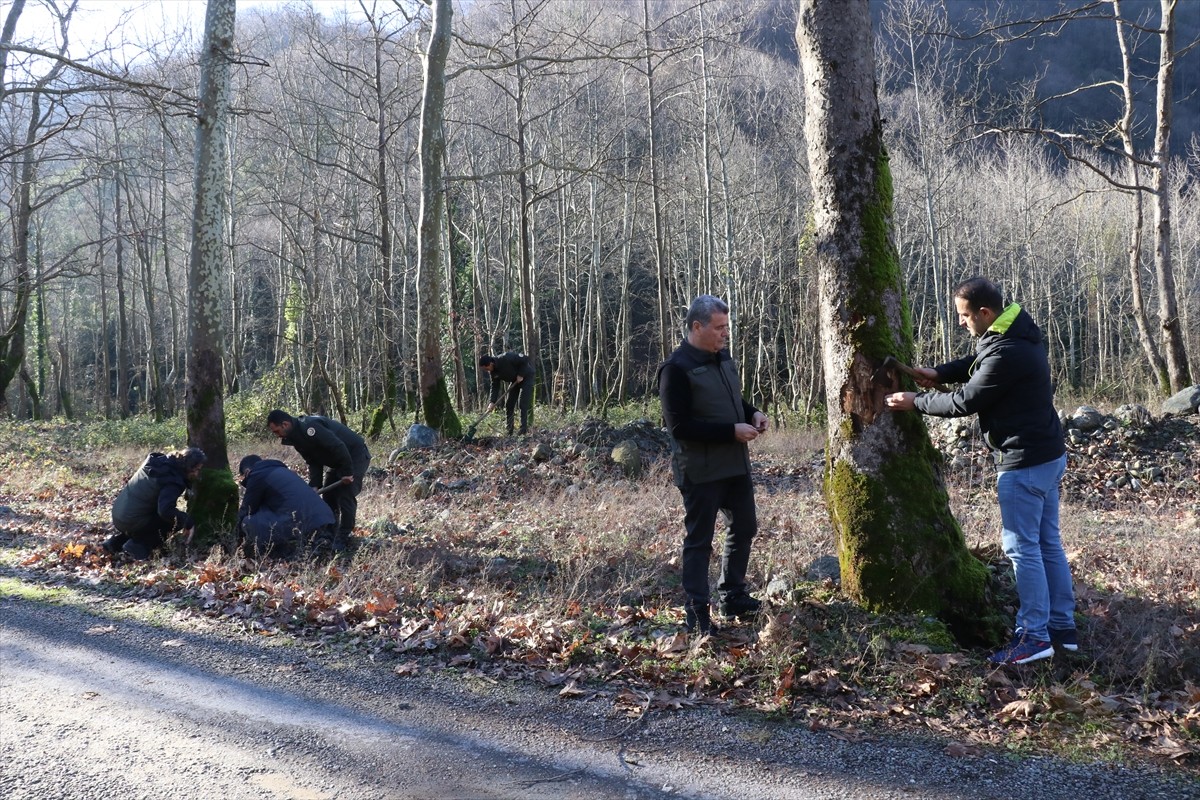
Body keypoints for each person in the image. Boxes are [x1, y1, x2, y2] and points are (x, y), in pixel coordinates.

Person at [885, 276, 1076, 665]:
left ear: (984, 313)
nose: (961, 322)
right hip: (1046, 454)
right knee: (1046, 544)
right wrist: (938, 373)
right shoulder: (1013, 329)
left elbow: (967, 400)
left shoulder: (1008, 351)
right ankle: (1062, 629)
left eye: (964, 315)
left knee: (1022, 548)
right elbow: (977, 363)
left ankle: (1035, 636)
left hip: (1023, 462)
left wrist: (916, 401)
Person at [658, 295, 768, 634]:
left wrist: (752, 413)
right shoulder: (675, 369)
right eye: (719, 328)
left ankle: (732, 596)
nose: (726, 334)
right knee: (699, 541)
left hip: (734, 464)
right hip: (700, 470)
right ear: (697, 327)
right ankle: (697, 616)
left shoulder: (723, 358)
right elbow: (679, 427)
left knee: (745, 526)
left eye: (727, 327)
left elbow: (733, 399)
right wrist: (730, 431)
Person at [266, 410, 370, 554]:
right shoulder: (296, 437)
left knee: (346, 493)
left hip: (355, 454)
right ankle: (329, 531)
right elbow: (313, 461)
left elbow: (338, 446)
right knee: (328, 495)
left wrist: (347, 473)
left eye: (277, 431)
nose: (277, 436)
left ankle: (343, 536)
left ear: (285, 424)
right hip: (338, 460)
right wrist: (314, 485)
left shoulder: (310, 427)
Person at [104, 448, 207, 560]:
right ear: (189, 467)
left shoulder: (160, 463)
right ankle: (136, 549)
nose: (197, 474)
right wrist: (188, 522)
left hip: (119, 514)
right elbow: (165, 510)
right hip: (131, 520)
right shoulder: (172, 480)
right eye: (196, 469)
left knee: (151, 516)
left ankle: (114, 544)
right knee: (175, 521)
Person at [236, 455, 337, 559]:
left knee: (248, 521)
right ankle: (319, 544)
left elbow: (247, 509)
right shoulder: (283, 471)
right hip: (326, 517)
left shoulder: (257, 474)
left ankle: (272, 554)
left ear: (247, 471)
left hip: (304, 522)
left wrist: (234, 535)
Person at [479, 351, 535, 436]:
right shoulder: (493, 373)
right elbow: (494, 387)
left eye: (487, 368)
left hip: (526, 376)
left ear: (490, 363)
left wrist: (521, 374)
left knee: (522, 403)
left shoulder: (505, 357)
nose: (487, 371)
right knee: (509, 404)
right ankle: (509, 430)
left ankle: (523, 430)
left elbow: (525, 359)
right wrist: (492, 402)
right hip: (514, 381)